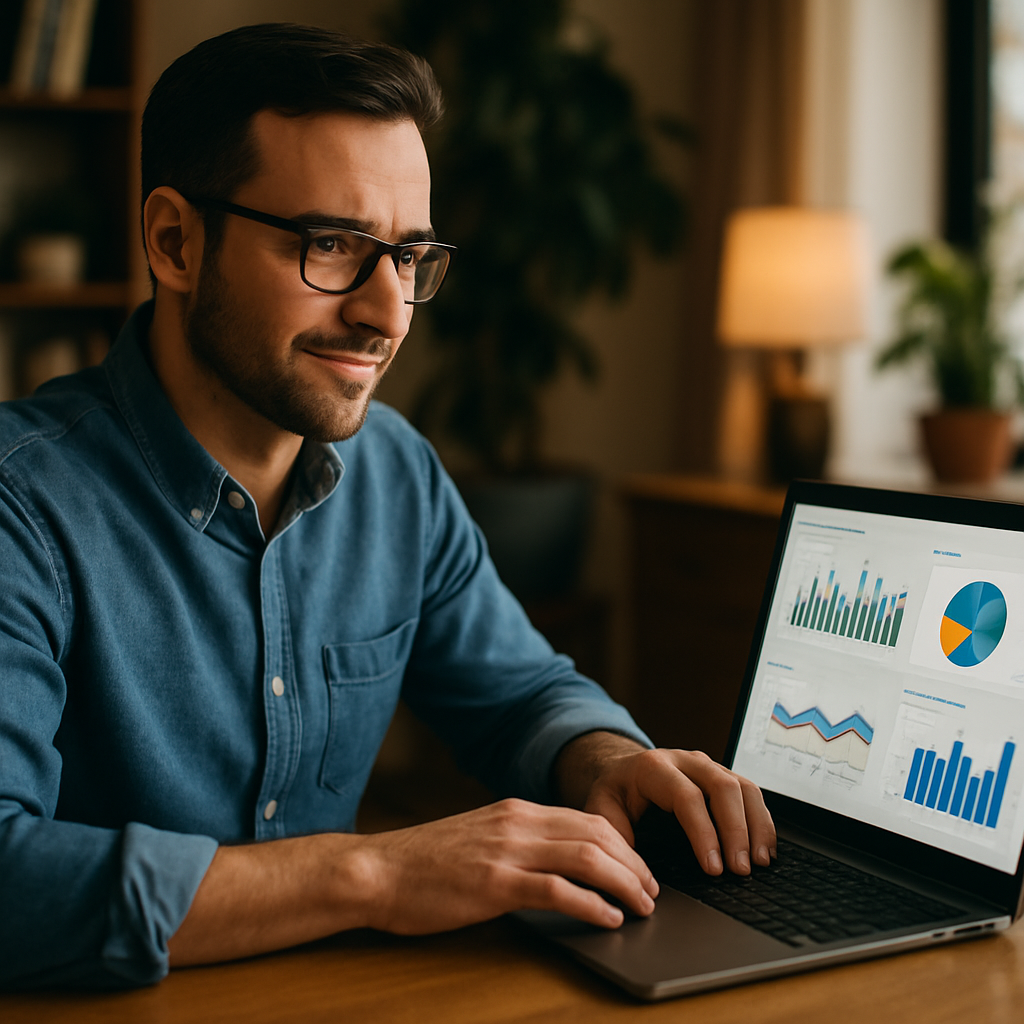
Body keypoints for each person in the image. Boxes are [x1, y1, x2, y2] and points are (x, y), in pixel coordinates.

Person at [0, 24, 775, 990]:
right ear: (175, 242)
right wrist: (373, 872)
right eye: (331, 245)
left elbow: (521, 692)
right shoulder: (20, 506)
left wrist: (603, 757)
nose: (386, 312)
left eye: (408, 257)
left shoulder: (396, 472)